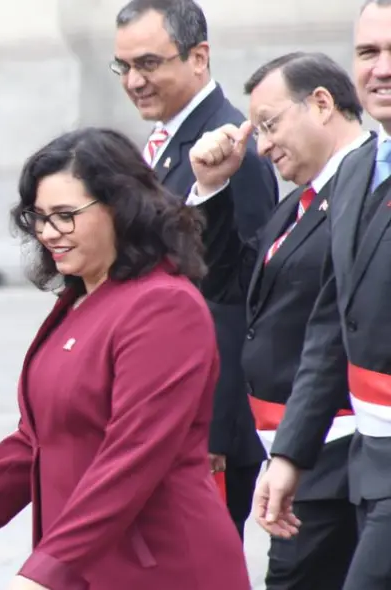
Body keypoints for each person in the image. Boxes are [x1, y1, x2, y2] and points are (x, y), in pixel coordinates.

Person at [0, 127, 251, 590]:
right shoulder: (81, 300)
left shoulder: (165, 306)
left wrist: (43, 573)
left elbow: (132, 456)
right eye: (39, 217)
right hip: (81, 566)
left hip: (161, 568)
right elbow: (35, 440)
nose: (48, 233)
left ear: (121, 208)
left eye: (65, 216)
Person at [191, 51, 370, 590]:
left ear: (320, 104)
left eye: (270, 125)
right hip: (293, 448)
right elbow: (234, 286)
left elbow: (338, 330)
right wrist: (213, 191)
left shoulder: (362, 189)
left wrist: (294, 450)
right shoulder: (300, 202)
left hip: (333, 448)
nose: (262, 146)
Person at [111, 0, 278, 538]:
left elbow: (241, 294)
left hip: (206, 422)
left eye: (150, 64)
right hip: (165, 399)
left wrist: (217, 430)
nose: (134, 81)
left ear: (199, 57)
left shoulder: (231, 145)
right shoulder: (165, 139)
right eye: (125, 67)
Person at [255, 2, 391, 588]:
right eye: (368, 53)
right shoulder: (359, 172)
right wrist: (290, 456)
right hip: (367, 466)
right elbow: (332, 328)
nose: (380, 69)